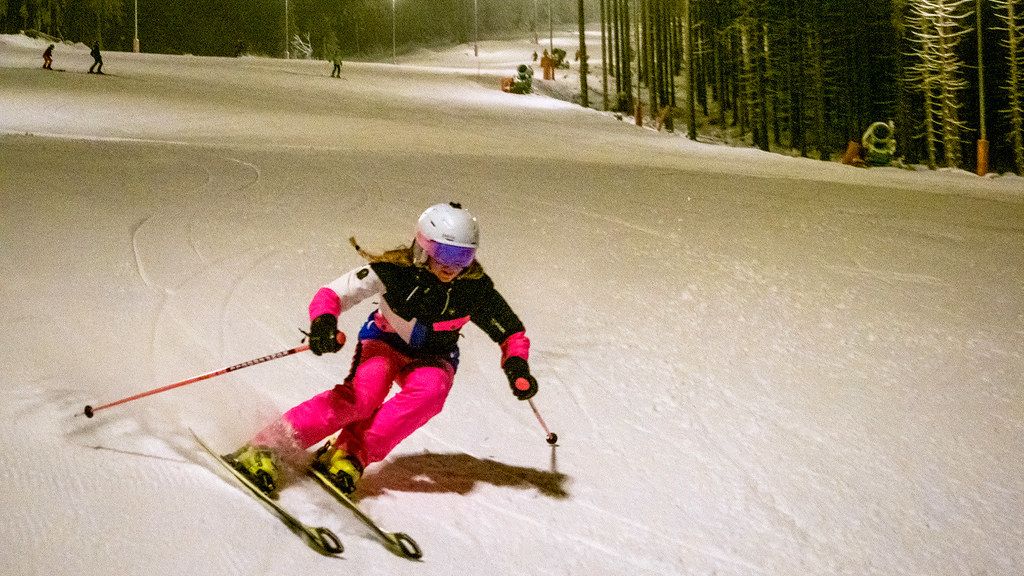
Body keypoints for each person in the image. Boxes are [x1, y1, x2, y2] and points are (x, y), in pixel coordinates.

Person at [227, 202, 540, 497]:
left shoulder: (475, 289)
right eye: (444, 253)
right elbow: (334, 293)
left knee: (430, 393)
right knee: (363, 398)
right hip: (384, 343)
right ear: (424, 245)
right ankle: (266, 446)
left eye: (463, 257)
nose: (452, 266)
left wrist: (517, 366)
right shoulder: (396, 271)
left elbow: (511, 332)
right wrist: (324, 323)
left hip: (434, 356)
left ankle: (350, 453)